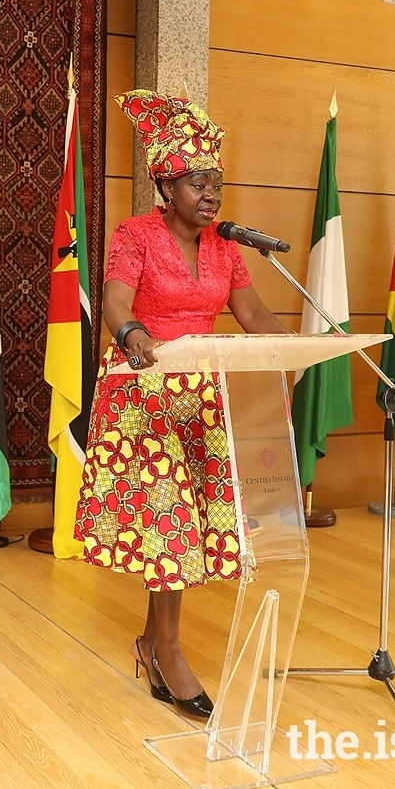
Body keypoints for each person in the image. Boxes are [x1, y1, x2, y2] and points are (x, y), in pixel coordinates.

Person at [74, 90, 285, 718]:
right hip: (141, 392)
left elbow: (252, 315)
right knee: (170, 527)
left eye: (216, 183)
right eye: (198, 183)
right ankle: (168, 650)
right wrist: (134, 335)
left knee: (182, 531)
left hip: (202, 398)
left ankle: (150, 642)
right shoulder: (135, 234)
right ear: (166, 184)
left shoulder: (226, 247)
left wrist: (305, 347)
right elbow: (115, 302)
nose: (211, 195)